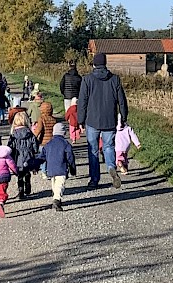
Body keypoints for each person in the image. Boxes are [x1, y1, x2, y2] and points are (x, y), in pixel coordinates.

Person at [77, 52, 128, 190]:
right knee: (108, 147)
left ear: (94, 64)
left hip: (92, 120)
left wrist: (80, 120)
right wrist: (123, 117)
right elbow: (122, 101)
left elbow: (82, 102)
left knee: (93, 149)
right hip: (109, 120)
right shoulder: (115, 79)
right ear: (105, 63)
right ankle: (111, 168)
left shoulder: (87, 80)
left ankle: (94, 179)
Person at [37, 123, 76, 211]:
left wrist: (35, 164)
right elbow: (70, 157)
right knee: (60, 184)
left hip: (50, 169)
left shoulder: (48, 144)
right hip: (61, 168)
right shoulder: (66, 144)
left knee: (54, 183)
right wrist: (72, 169)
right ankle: (57, 200)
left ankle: (56, 197)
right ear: (63, 133)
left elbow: (42, 157)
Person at [7, 112, 39, 200]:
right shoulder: (30, 133)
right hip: (28, 156)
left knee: (19, 174)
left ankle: (21, 191)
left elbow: (10, 147)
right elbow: (35, 145)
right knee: (27, 172)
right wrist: (35, 152)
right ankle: (27, 186)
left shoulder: (13, 135)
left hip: (18, 157)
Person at [33, 101, 56, 179]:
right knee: (50, 157)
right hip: (52, 141)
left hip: (43, 142)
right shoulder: (54, 119)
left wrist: (33, 137)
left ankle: (43, 172)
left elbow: (38, 130)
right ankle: (50, 171)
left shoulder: (41, 119)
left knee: (43, 157)